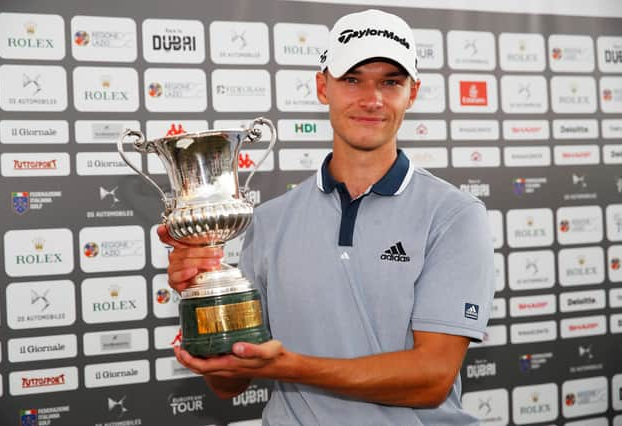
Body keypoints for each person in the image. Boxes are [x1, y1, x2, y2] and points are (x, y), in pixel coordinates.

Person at [158, 9, 495, 425]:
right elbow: (229, 383)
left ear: (413, 92)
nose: (372, 100)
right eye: (352, 79)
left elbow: (431, 379)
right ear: (323, 86)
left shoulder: (455, 216)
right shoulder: (268, 220)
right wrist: (202, 297)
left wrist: (290, 366)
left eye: (391, 82)